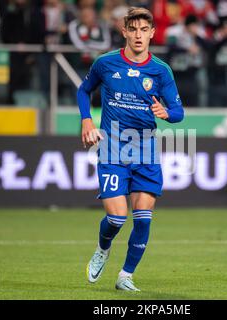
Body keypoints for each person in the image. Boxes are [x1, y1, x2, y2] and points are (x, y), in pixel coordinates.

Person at [77, 7, 184, 291]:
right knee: (116, 217)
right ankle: (103, 248)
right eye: (133, 29)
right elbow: (83, 90)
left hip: (145, 149)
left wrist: (167, 113)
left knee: (143, 218)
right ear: (124, 31)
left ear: (152, 33)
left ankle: (126, 276)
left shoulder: (161, 71)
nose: (138, 35)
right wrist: (87, 120)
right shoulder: (105, 63)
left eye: (143, 30)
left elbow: (178, 112)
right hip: (113, 148)